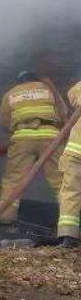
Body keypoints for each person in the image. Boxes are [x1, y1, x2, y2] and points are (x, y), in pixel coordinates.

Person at [0, 70, 66, 225]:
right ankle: (71, 221)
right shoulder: (49, 89)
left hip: (22, 139)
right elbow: (63, 115)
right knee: (60, 180)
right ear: (35, 79)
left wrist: (18, 128)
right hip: (50, 138)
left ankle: (6, 221)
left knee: (13, 181)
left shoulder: (11, 93)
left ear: (19, 82)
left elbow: (3, 122)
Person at [60, 75, 81, 247]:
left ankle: (68, 237)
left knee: (70, 193)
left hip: (75, 153)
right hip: (75, 154)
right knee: (70, 192)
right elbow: (72, 93)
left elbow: (73, 93)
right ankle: (68, 236)